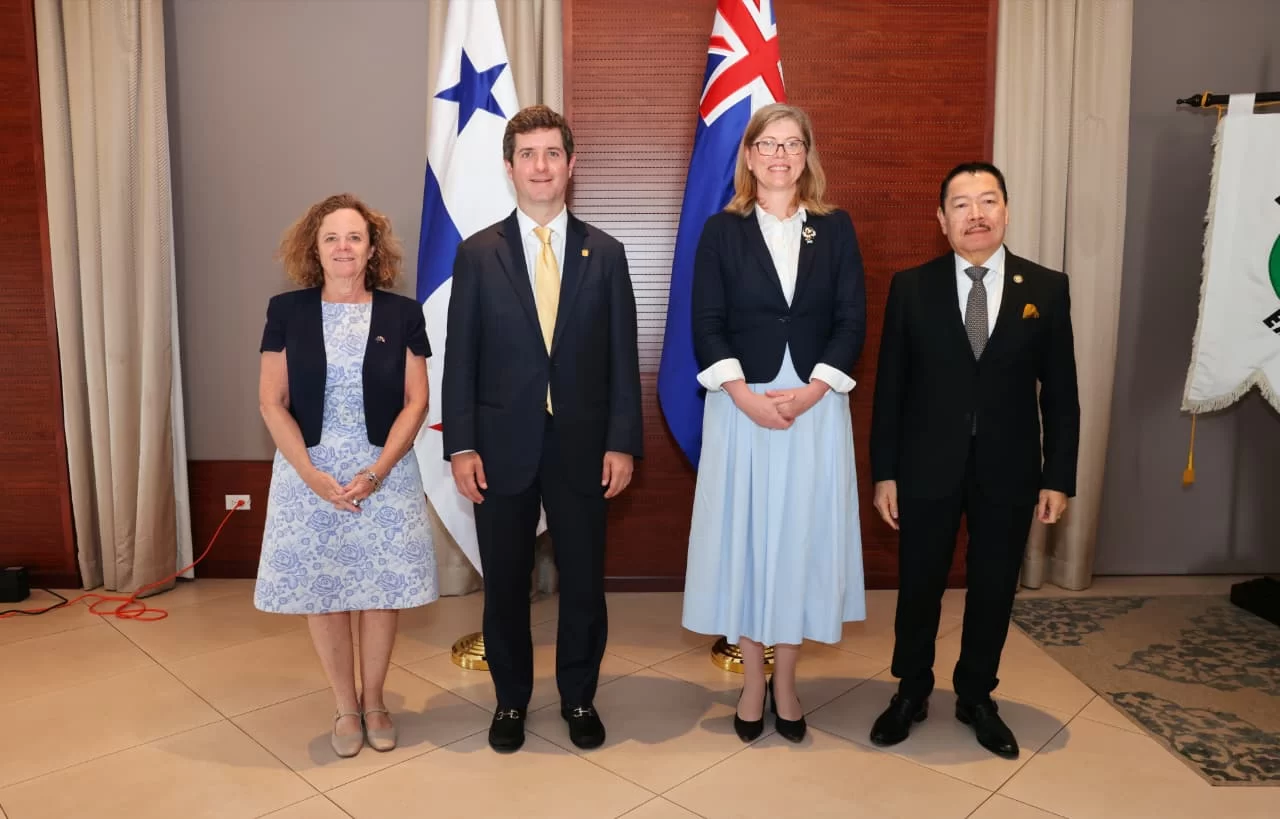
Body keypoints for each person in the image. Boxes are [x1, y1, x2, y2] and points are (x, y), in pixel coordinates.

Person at [442, 105, 643, 753]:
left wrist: (622, 441)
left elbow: (622, 357)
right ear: (509, 167)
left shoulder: (606, 253)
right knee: (505, 582)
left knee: (584, 581)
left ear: (571, 164)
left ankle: (579, 696)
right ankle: (510, 700)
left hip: (583, 445)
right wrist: (461, 444)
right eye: (527, 154)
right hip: (500, 447)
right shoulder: (478, 254)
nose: (540, 166)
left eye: (552, 153)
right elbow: (460, 358)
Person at [868, 162, 1080, 759]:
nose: (976, 214)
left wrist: (1058, 476)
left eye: (988, 201)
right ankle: (911, 690)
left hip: (1010, 470)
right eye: (961, 204)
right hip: (925, 467)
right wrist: (885, 472)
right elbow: (890, 390)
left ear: (1006, 211)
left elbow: (1061, 392)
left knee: (993, 587)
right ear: (942, 220)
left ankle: (976, 695)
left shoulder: (1046, 288)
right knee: (919, 586)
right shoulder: (912, 287)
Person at [681, 102, 868, 745]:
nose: (780, 155)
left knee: (798, 541)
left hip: (815, 406)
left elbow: (851, 318)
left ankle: (786, 682)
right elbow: (706, 322)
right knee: (750, 539)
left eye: (792, 143)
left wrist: (814, 390)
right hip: (742, 408)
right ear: (749, 155)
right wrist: (743, 395)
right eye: (768, 143)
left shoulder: (835, 228)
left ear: (807, 155)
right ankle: (752, 683)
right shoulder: (721, 231)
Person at [254, 193, 437, 759]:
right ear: (314, 248)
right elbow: (271, 401)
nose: (343, 247)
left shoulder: (402, 314)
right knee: (325, 590)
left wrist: (377, 472)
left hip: (383, 471)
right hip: (308, 472)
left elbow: (417, 400)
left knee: (381, 592)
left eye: (354, 237)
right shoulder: (286, 311)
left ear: (372, 248)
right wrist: (309, 474)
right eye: (330, 237)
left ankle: (375, 701)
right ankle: (344, 705)